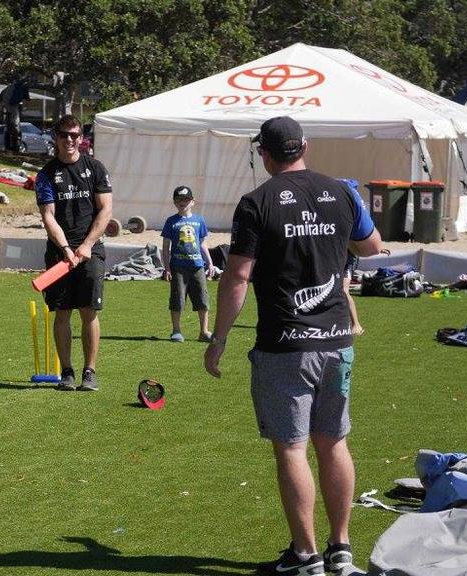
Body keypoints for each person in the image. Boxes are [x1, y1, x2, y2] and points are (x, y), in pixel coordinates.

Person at [203, 116, 384, 576]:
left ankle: (306, 556)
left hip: (285, 346)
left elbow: (238, 275)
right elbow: (372, 246)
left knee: (292, 447)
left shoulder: (256, 202)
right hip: (338, 342)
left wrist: (218, 338)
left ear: (264, 153)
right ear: (304, 146)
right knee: (334, 441)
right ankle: (340, 548)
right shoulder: (343, 191)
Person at [35, 114, 113, 391]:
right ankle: (67, 372)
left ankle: (89, 372)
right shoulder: (45, 175)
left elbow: (105, 209)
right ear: (56, 138)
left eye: (75, 135)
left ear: (82, 138)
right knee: (62, 312)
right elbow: (48, 216)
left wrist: (87, 245)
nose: (70, 140)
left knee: (89, 311)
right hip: (60, 255)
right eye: (65, 135)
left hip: (91, 251)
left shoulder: (96, 168)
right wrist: (66, 249)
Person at [161, 185, 216, 342]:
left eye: (185, 199)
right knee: (177, 299)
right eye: (179, 199)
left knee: (203, 299)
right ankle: (176, 331)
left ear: (192, 201)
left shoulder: (199, 221)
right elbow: (166, 247)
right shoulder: (171, 221)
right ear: (174, 201)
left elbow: (203, 243)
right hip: (178, 267)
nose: (182, 202)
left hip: (197, 266)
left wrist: (210, 263)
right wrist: (167, 268)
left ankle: (204, 331)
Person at [343, 253, 363, 336]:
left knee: (344, 290)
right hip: (335, 259)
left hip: (348, 261)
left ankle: (356, 324)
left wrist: (379, 249)